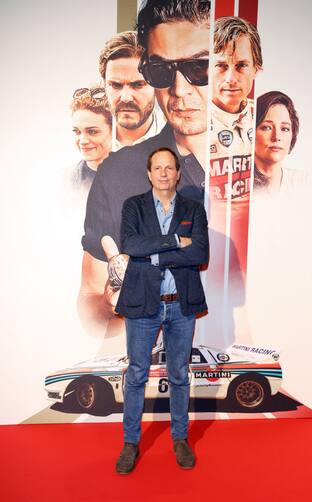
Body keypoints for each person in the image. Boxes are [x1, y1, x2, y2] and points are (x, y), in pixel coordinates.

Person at [78, 0, 210, 334]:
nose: (180, 89)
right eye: (162, 71)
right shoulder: (115, 172)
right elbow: (91, 296)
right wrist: (111, 305)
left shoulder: (270, 173)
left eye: (200, 67)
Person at [115, 147, 209, 474]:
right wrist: (173, 242)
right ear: (149, 173)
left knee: (180, 374)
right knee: (137, 373)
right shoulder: (133, 206)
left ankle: (180, 438)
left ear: (179, 173)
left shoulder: (193, 209)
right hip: (143, 303)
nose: (164, 173)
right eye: (158, 168)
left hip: (180, 305)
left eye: (170, 167)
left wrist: (154, 254)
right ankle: (130, 442)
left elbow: (199, 253)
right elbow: (131, 245)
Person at [210, 16, 262, 201]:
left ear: (256, 68)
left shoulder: (265, 116)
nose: (231, 78)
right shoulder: (188, 122)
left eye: (241, 66)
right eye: (221, 66)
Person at [98, 31, 165, 150]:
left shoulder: (181, 143)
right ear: (104, 86)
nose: (126, 97)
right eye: (115, 85)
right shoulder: (85, 145)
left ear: (157, 86)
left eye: (138, 85)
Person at [253, 91, 300, 192]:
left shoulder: (306, 184)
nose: (277, 137)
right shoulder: (234, 186)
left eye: (285, 129)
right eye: (267, 127)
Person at [71, 86, 112, 191]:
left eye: (92, 131)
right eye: (77, 132)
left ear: (114, 131)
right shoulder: (67, 182)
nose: (83, 141)